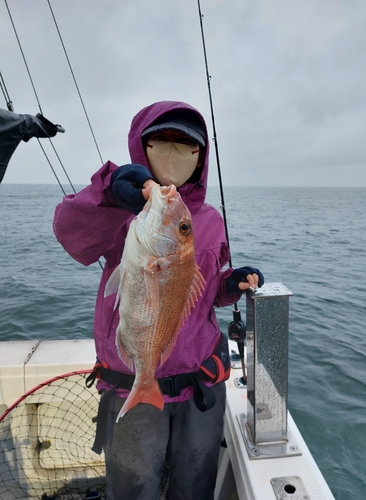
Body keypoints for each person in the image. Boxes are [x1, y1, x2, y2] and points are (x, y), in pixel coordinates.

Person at [53, 100, 264, 500]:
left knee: (194, 484)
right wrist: (110, 196)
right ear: (141, 147)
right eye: (161, 140)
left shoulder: (211, 220)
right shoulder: (120, 209)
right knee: (133, 488)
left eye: (187, 145)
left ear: (200, 158)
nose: (173, 152)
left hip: (200, 388)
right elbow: (70, 235)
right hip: (132, 381)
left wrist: (230, 285)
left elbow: (203, 294)